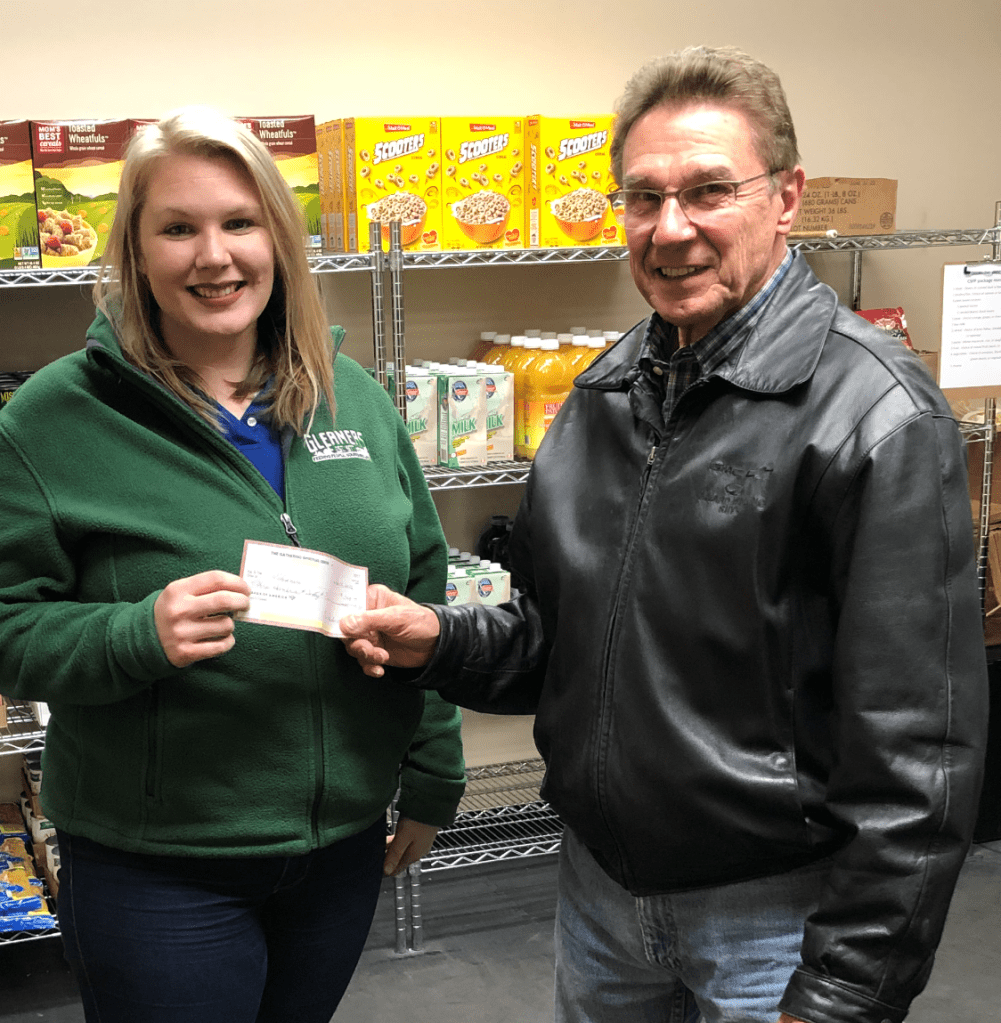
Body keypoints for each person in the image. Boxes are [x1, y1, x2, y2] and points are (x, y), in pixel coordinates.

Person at [340, 46, 989, 1023]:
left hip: (775, 918)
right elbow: (558, 647)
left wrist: (844, 993)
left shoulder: (875, 418)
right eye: (642, 197)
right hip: (599, 895)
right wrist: (437, 640)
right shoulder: (598, 397)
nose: (669, 227)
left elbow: (919, 755)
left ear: (785, 197)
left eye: (708, 190)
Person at [0, 107, 464, 1023]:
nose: (214, 256)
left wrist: (432, 770)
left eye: (239, 223)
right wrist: (134, 633)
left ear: (278, 240)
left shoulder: (352, 397)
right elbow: (9, 627)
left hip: (339, 849)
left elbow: (422, 593)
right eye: (178, 228)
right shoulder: (51, 420)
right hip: (155, 868)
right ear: (135, 251)